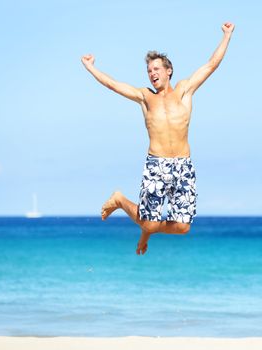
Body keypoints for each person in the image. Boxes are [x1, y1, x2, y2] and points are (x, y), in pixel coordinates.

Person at [81, 22, 235, 255]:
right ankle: (120, 200)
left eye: (156, 69)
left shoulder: (184, 90)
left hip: (183, 165)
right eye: (149, 71)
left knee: (183, 227)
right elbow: (113, 85)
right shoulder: (145, 97)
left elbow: (211, 65)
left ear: (168, 71)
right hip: (157, 164)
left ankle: (145, 232)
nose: (152, 73)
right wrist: (91, 67)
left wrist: (227, 35)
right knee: (150, 222)